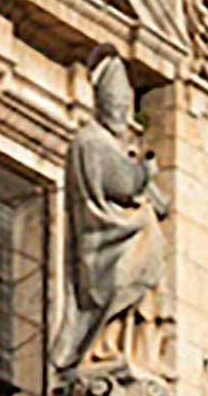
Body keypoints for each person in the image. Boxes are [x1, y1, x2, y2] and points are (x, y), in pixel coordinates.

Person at [53, 54, 169, 373]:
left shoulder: (112, 145)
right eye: (114, 105)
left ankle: (128, 350)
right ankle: (103, 348)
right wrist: (145, 169)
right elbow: (122, 184)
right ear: (101, 104)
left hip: (126, 240)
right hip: (105, 242)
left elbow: (159, 203)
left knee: (135, 292)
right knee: (117, 289)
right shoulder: (91, 141)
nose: (120, 112)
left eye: (124, 106)